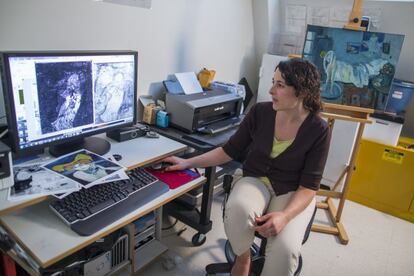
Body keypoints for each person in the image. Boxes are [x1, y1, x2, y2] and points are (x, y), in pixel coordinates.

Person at [163, 58, 331, 276]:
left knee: (285, 250)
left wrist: (285, 216)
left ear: (302, 91)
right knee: (239, 209)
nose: (271, 90)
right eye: (273, 82)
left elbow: (309, 187)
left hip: (293, 191)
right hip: (255, 179)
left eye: (280, 85)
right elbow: (228, 151)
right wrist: (187, 162)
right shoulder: (261, 113)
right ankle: (243, 260)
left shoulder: (319, 129)